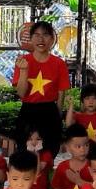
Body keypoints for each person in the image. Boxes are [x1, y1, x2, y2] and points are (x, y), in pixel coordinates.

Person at [13, 20, 70, 157]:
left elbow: (60, 95)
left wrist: (57, 120)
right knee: (24, 153)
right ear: (31, 38)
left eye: (45, 35)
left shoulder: (59, 64)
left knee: (49, 152)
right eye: (37, 35)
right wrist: (24, 71)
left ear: (52, 39)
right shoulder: (23, 61)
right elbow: (21, 93)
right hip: (28, 111)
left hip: (49, 111)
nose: (41, 39)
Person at [50, 124, 92, 189]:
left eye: (86, 145)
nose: (83, 150)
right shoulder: (62, 167)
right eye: (78, 146)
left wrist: (79, 181)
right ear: (67, 148)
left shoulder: (93, 166)